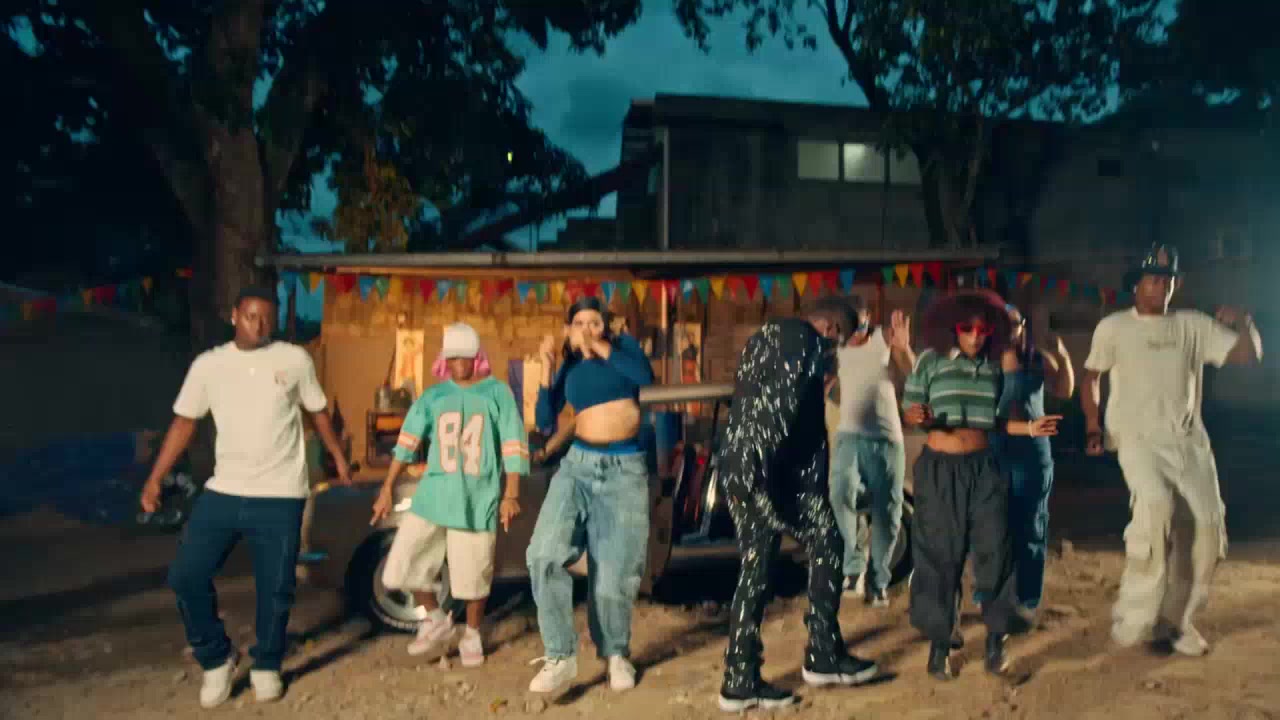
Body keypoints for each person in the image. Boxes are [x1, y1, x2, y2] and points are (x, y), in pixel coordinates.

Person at [140, 286, 352, 709]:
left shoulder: (294, 359)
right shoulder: (209, 365)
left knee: (276, 586)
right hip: (225, 489)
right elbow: (184, 423)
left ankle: (267, 664)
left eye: (267, 317)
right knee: (186, 575)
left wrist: (338, 457)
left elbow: (317, 411)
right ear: (234, 315)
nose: (260, 324)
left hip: (281, 492)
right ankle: (216, 658)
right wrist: (155, 478)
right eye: (252, 316)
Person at [1081, 244, 1260, 656]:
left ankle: (1177, 622)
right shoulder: (1113, 327)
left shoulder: (1192, 325)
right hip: (1137, 438)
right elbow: (1091, 378)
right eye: (1153, 279)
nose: (1160, 286)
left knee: (1208, 532)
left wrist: (1245, 320)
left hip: (1189, 442)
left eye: (1167, 280)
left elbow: (1248, 356)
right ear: (1136, 284)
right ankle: (1136, 616)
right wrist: (1092, 424)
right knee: (1157, 507)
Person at [716, 296, 879, 713]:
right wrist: (769, 482)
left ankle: (741, 677)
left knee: (758, 567)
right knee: (824, 541)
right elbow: (780, 411)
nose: (835, 350)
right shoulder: (805, 342)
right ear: (830, 328)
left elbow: (756, 403)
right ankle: (819, 655)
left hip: (741, 465)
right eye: (838, 340)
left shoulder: (763, 338)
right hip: (769, 471)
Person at [900, 289, 1060, 681]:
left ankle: (996, 642)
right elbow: (911, 412)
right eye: (966, 328)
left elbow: (996, 421)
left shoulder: (993, 367)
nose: (974, 336)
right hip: (939, 470)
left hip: (985, 468)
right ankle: (940, 645)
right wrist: (918, 416)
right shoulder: (930, 361)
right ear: (952, 328)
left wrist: (1029, 428)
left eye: (982, 330)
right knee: (940, 555)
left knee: (996, 552)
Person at [370, 322, 527, 667]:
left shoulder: (497, 393)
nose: (458, 364)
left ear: (477, 357)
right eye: (452, 357)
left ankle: (472, 634)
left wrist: (511, 494)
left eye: (464, 357)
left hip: (477, 498)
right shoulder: (434, 396)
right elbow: (407, 442)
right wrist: (386, 487)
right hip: (434, 496)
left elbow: (513, 443)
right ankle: (435, 618)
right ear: (444, 359)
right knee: (399, 567)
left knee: (474, 575)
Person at [525, 296, 655, 696]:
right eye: (578, 323)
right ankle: (560, 656)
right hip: (577, 467)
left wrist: (599, 345)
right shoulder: (571, 367)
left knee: (614, 573)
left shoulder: (623, 349)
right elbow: (545, 421)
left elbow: (644, 376)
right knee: (542, 554)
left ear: (605, 326)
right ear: (568, 330)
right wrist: (547, 371)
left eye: (593, 322)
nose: (586, 329)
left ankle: (615, 655)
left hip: (625, 471)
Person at [987, 304, 1075, 617]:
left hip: (1033, 452)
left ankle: (1027, 600)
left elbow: (1064, 390)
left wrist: (1063, 357)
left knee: (1032, 525)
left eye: (1015, 323)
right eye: (1003, 323)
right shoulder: (984, 362)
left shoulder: (1036, 358)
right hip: (997, 449)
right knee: (996, 527)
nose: (1010, 329)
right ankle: (996, 597)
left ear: (1022, 326)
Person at [827, 300, 914, 608]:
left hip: (888, 439)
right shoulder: (836, 348)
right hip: (849, 436)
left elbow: (913, 374)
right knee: (840, 492)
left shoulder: (883, 339)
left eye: (860, 323)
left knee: (888, 514)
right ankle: (853, 567)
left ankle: (878, 582)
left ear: (867, 319)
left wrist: (903, 349)